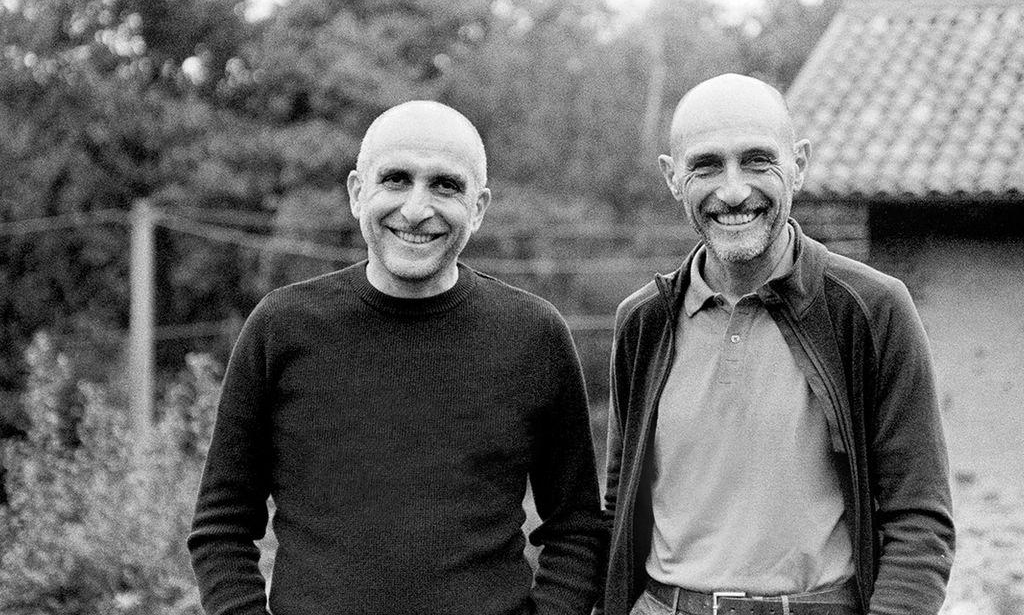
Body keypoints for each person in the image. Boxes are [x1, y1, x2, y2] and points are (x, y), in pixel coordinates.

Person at [188, 100, 606, 615]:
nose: (415, 209)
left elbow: (576, 530)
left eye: (445, 185)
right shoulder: (281, 327)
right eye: (395, 179)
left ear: (478, 208)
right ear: (356, 192)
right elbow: (222, 528)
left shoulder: (534, 336)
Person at [602, 74, 954, 615]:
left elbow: (919, 521)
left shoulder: (872, 310)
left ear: (799, 164)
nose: (733, 191)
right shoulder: (643, 321)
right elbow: (617, 507)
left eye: (758, 161)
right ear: (672, 178)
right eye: (706, 166)